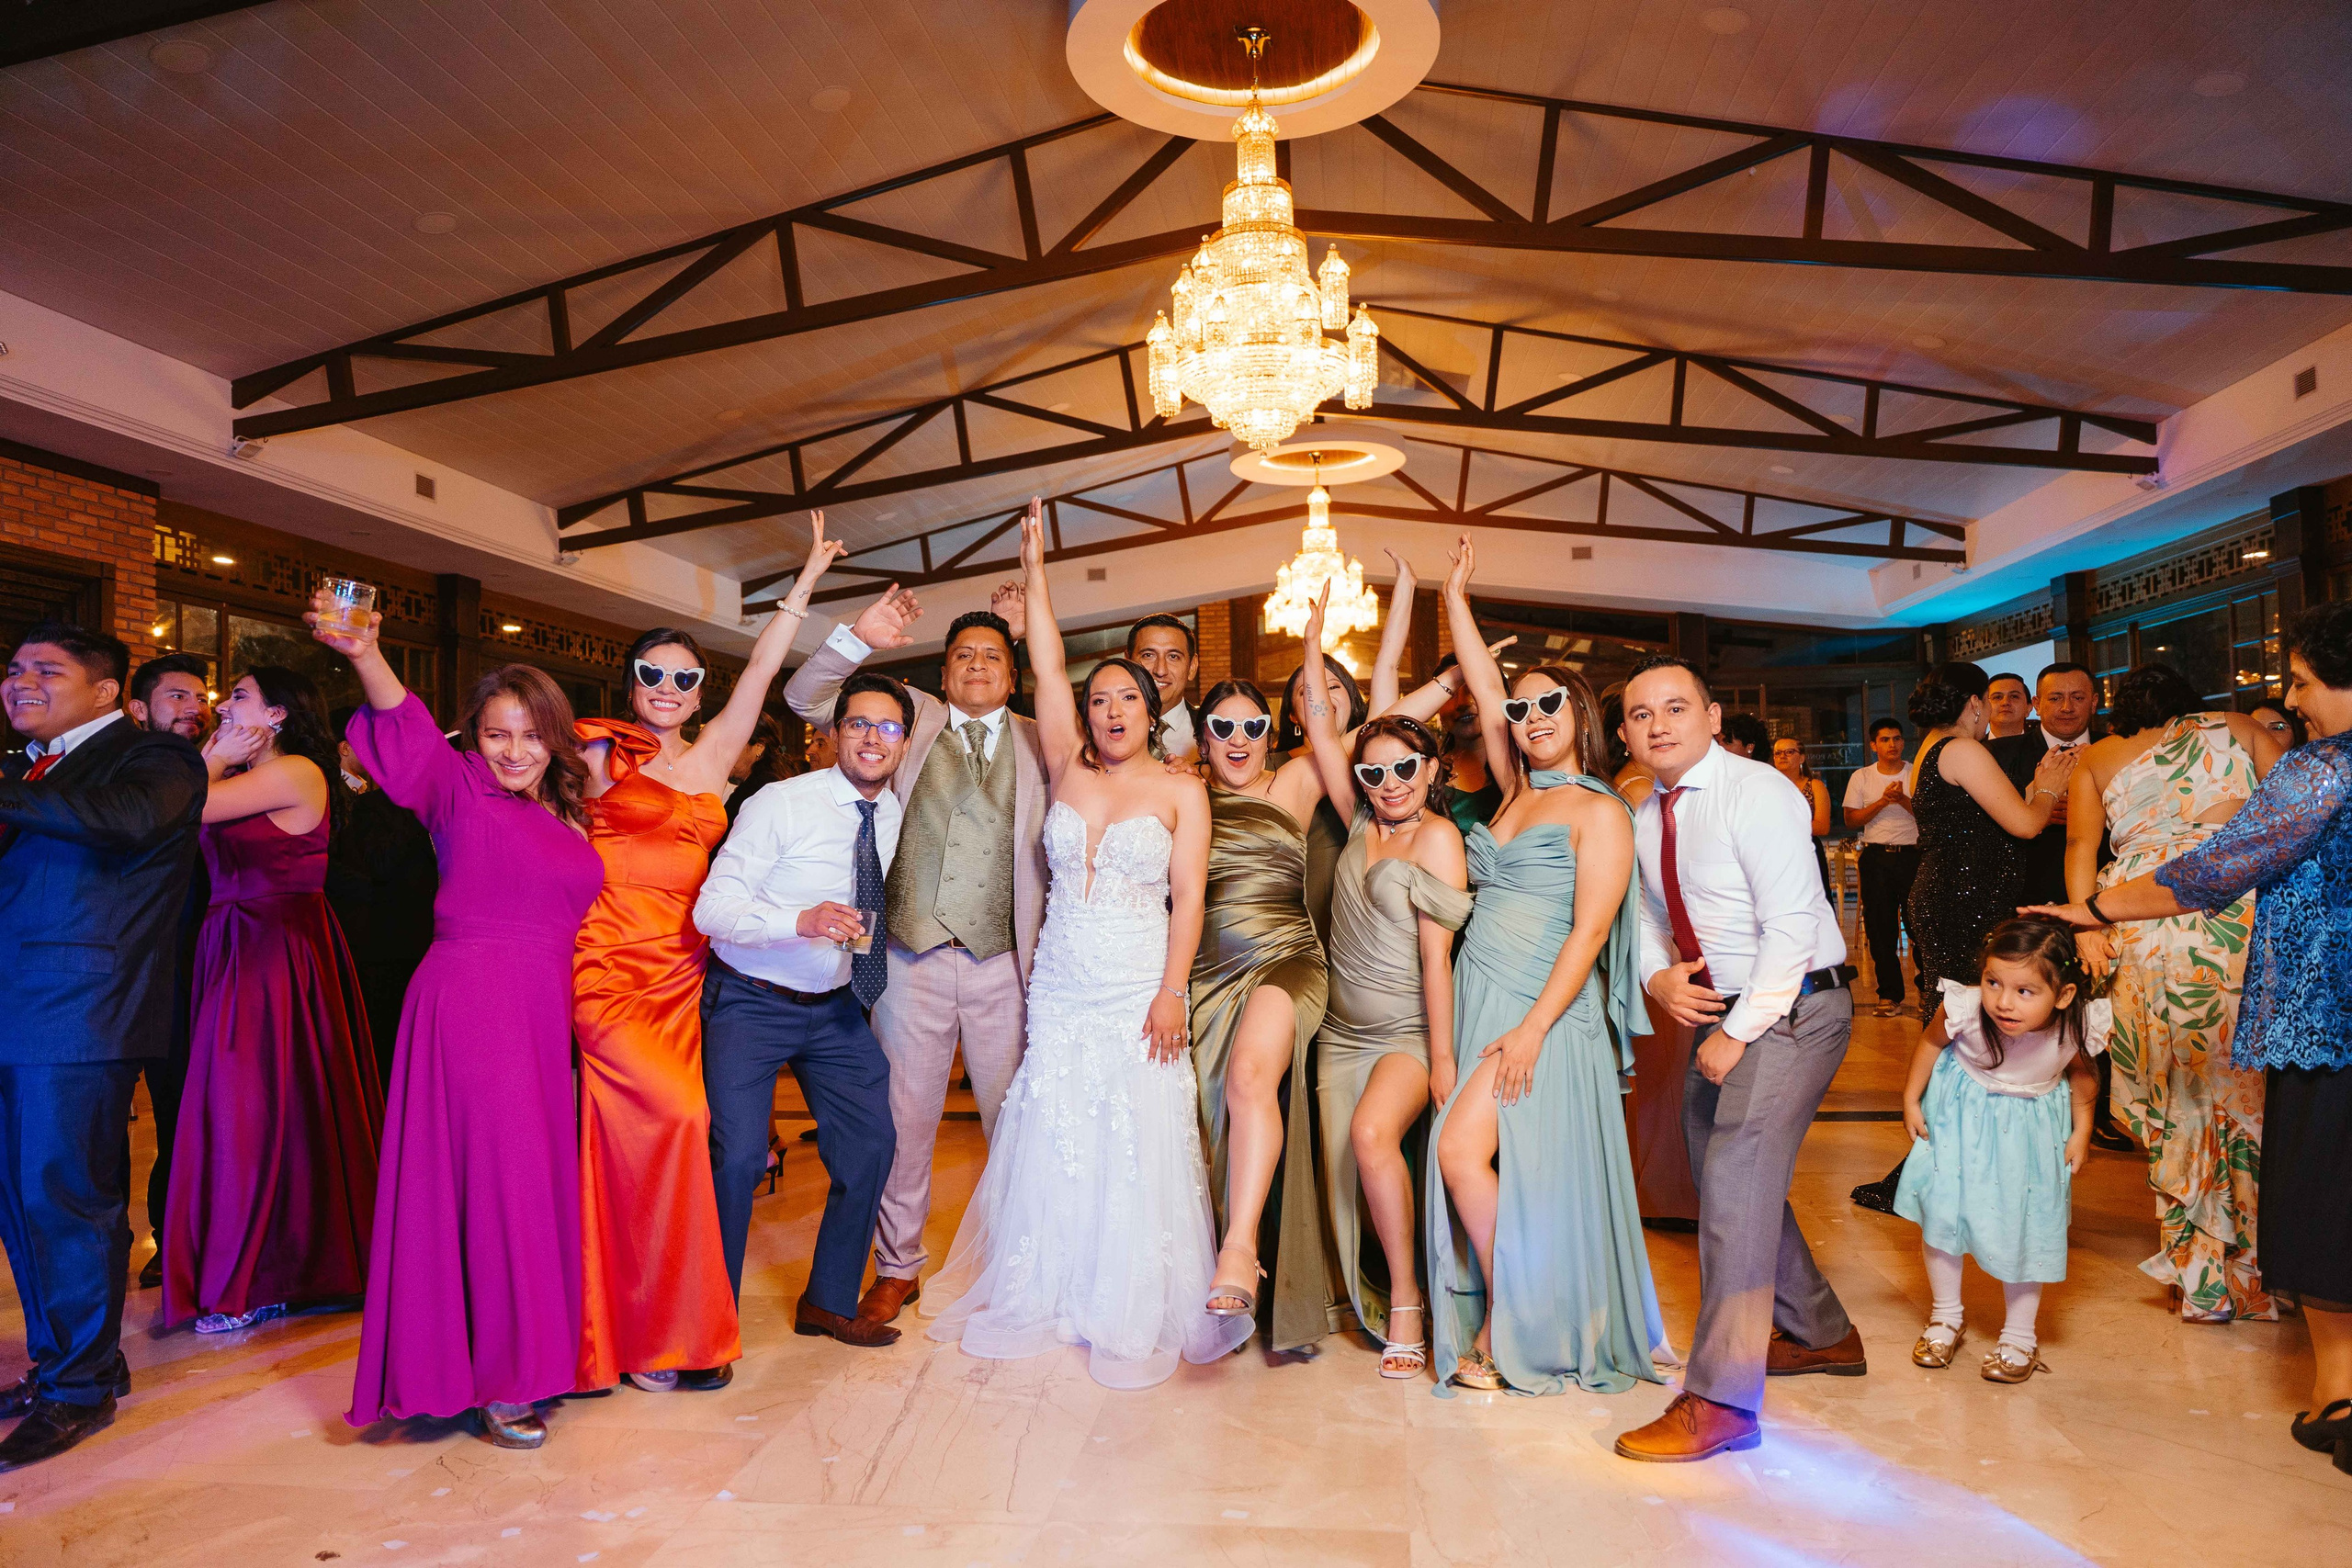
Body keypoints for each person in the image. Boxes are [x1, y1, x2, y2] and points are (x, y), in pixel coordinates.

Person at [923, 500, 1250, 1388]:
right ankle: (1051, 1281)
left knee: (1138, 1124)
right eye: (1099, 699)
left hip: (1140, 975)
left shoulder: (1184, 792)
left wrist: (1172, 988)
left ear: (1152, 710)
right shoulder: (1064, 762)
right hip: (1063, 976)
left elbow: (1187, 900)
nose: (1109, 710)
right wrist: (1033, 565)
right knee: (1057, 1118)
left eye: (1126, 700)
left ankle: (1134, 1291)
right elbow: (1049, 661)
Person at [2023, 600, 2352, 1477]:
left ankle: (2315, 1365)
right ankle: (2249, 1273)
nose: (2295, 697)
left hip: (2276, 979)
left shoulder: (2321, 770)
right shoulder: (2254, 739)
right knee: (2253, 1121)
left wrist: (2086, 915)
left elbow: (2217, 864)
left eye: (2307, 682)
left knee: (2282, 1160)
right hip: (2245, 956)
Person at [314, 596, 606, 1451]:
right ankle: (497, 1382)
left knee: (527, 1184)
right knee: (498, 1183)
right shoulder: (458, 790)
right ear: (473, 740)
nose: (513, 751)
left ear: (553, 738)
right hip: (472, 1003)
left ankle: (522, 1362)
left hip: (543, 1015)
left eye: (529, 734)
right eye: (495, 733)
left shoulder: (566, 814)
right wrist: (366, 653)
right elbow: (398, 723)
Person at [569, 524, 843, 1395]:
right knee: (673, 1123)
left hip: (694, 975)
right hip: (610, 967)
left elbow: (762, 670)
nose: (667, 687)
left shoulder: (716, 756)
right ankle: (628, 1325)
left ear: (699, 691)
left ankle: (659, 1322)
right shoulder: (600, 753)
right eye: (652, 673)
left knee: (683, 1146)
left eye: (685, 677)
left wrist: (803, 583)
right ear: (631, 681)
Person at [1188, 558, 1453, 1351]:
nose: (1240, 738)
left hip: (1299, 961)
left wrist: (1326, 644)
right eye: (1222, 726)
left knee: (1256, 1081)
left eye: (1254, 724)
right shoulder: (1181, 789)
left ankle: (1249, 1253)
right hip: (1212, 973)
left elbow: (1377, 730)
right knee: (1228, 1121)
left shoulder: (1315, 780)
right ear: (1201, 735)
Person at [1427, 539, 1665, 1396]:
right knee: (1506, 1166)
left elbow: (1592, 933)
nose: (1529, 718)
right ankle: (1522, 1307)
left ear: (1582, 712)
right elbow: (1488, 693)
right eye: (1522, 711)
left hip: (1544, 1012)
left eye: (1548, 704)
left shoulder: (1599, 811)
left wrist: (1531, 1028)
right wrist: (1453, 597)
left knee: (1461, 1150)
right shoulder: (1515, 791)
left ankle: (1507, 1320)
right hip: (1482, 990)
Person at [785, 579, 1046, 1331]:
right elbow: (810, 698)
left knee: (1017, 1124)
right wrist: (857, 637)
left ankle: (1018, 1264)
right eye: (962, 654)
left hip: (1008, 964)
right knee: (903, 1124)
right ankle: (898, 1267)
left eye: (992, 655)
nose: (975, 664)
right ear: (941, 673)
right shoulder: (912, 721)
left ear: (1013, 667)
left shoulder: (1040, 736)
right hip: (910, 959)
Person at [1614, 651, 1857, 1462]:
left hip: (1793, 1007)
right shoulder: (1650, 814)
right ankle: (1819, 1331)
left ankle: (1722, 1402)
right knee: (1717, 1167)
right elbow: (1646, 914)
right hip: (1733, 1008)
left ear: (1713, 718)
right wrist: (1657, 976)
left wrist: (1737, 1030)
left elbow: (1793, 924)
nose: (1659, 725)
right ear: (1626, 732)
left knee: (1730, 1181)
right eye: (1642, 714)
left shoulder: (1758, 793)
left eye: (1676, 708)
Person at [0, 624, 204, 1471]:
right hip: (18, 1006)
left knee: (69, 1198)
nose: (20, 682)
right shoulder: (28, 770)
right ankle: (69, 1361)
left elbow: (119, 821)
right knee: (21, 1200)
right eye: (13, 669)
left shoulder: (152, 760)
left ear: (107, 691)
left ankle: (79, 1390)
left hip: (81, 1011)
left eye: (47, 669)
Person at [694, 667, 912, 1347]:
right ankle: (708, 1325)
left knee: (872, 1144)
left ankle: (826, 1299)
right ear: (833, 733)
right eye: (858, 723)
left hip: (836, 1005)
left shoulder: (893, 809)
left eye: (888, 726)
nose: (872, 738)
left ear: (904, 742)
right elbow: (712, 908)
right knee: (735, 1160)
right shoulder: (779, 804)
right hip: (750, 1001)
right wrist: (803, 919)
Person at [164, 667, 381, 1336]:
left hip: (276, 949)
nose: (221, 705)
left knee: (249, 1108)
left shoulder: (300, 773)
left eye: (238, 696)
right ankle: (271, 1269)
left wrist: (213, 755)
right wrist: (218, 755)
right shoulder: (236, 774)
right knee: (240, 1106)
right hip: (229, 942)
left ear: (279, 714)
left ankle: (260, 1275)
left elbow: (181, 806)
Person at [2069, 663, 2281, 1322]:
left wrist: (2087, 924)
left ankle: (2199, 1276)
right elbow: (2295, 818)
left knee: (2173, 1095)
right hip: (2234, 911)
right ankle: (2255, 1268)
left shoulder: (2098, 756)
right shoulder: (2242, 728)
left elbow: (2080, 844)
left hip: (2139, 919)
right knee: (2244, 1091)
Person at [1851, 663, 2075, 1212]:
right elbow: (2024, 823)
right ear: (1973, 703)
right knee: (1958, 1030)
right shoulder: (1961, 749)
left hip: (1952, 898)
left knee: (1954, 1030)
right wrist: (2047, 788)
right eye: (1986, 705)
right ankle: (1926, 1176)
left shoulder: (1933, 748)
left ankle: (1936, 1172)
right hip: (1963, 903)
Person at [1298, 682, 1469, 1379]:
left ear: (1431, 767)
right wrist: (1311, 640)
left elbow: (1437, 959)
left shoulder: (1437, 835)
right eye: (1374, 770)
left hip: (1404, 1031)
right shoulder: (1356, 818)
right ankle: (1360, 1290)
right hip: (1338, 1034)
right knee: (1344, 1173)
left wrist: (1444, 1057)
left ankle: (1406, 1300)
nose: (1390, 781)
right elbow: (1317, 727)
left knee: (1372, 1136)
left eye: (1405, 766)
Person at [1894, 919, 2105, 1383]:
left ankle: (2019, 1336)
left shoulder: (2077, 1024)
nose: (2003, 1002)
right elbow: (1931, 1043)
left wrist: (2082, 1129)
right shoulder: (1965, 1009)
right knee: (1942, 1214)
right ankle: (1946, 1315)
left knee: (2027, 1225)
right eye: (1993, 983)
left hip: (2029, 1132)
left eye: (2025, 991)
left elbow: (2084, 1076)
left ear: (2064, 995)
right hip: (1958, 1119)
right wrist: (1912, 1099)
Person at [122, 651, 213, 1289]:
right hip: (117, 976)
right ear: (137, 709)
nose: (194, 707)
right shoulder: (124, 777)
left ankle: (172, 1242)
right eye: (178, 696)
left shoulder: (219, 776)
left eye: (199, 697)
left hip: (189, 970)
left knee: (183, 1111)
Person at [325, 704, 438, 1089]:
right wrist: (416, 810)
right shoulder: (374, 807)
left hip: (428, 946)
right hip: (386, 949)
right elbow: (380, 864)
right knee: (386, 1059)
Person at [1844, 719, 1920, 1017]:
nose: (1892, 744)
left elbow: (1927, 814)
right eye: (1885, 739)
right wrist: (1882, 801)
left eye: (1897, 738)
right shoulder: (1861, 777)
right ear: (1874, 745)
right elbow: (1852, 819)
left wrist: (1901, 799)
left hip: (1913, 856)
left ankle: (1927, 989)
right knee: (1880, 931)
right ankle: (1889, 995)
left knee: (1919, 927)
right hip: (1876, 858)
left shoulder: (1915, 773)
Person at [1434, 653, 1501, 831]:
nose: (1462, 703)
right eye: (1451, 694)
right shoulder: (1426, 775)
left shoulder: (1520, 771)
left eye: (1472, 689)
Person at [1128, 612, 1200, 763]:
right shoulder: (1099, 730)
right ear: (1127, 662)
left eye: (1173, 657)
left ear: (1192, 667)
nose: (1160, 670)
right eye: (1148, 655)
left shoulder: (1214, 731)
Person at [1771, 736, 1834, 893]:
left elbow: (1822, 827)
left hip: (1808, 851)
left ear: (1802, 758)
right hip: (1775, 852)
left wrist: (1783, 823)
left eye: (1789, 752)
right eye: (1778, 753)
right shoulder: (1767, 786)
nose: (1782, 756)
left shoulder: (1815, 786)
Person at [1984, 672, 2031, 739]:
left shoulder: (2045, 747)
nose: (2005, 702)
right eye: (1997, 697)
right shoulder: (1972, 747)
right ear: (1984, 707)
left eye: (2014, 696)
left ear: (2028, 708)